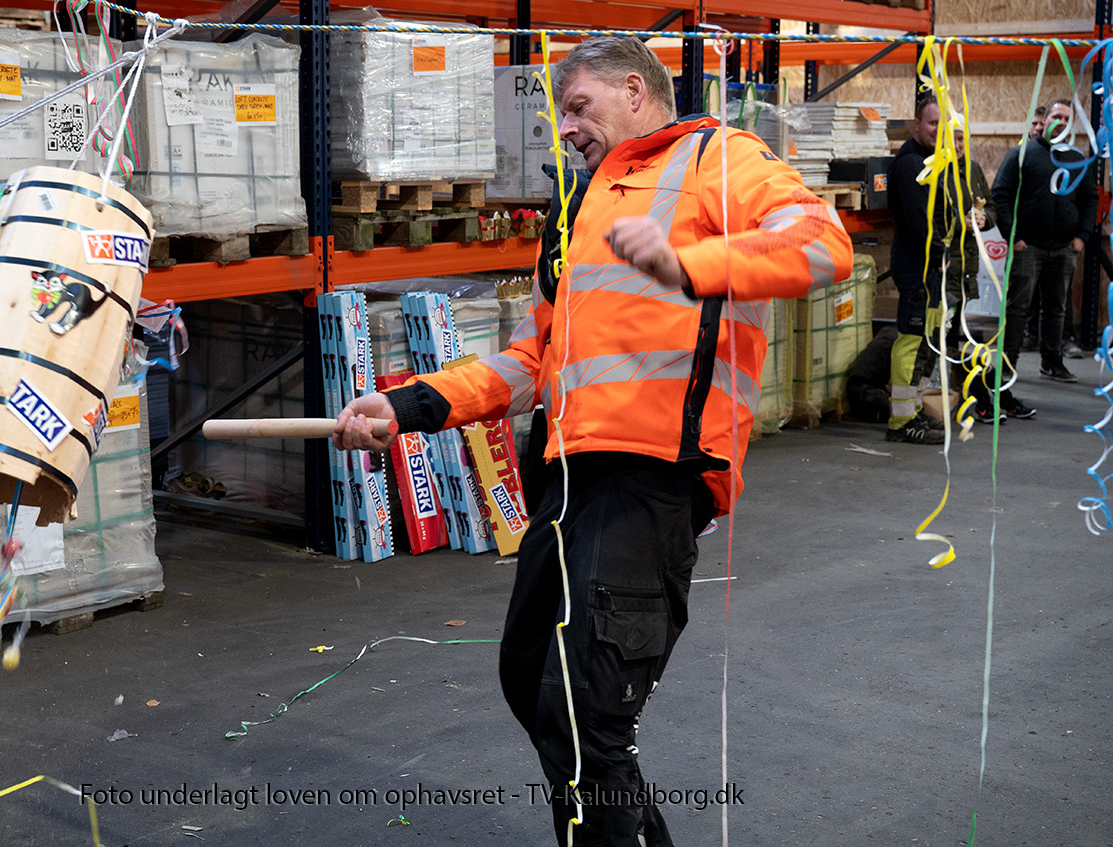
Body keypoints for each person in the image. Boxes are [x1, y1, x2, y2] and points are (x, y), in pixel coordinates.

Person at [333, 37, 853, 847]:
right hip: (568, 483)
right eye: (560, 114)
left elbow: (824, 244)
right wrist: (410, 407)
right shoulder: (575, 210)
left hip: (651, 482)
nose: (564, 128)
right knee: (532, 683)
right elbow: (530, 359)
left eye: (578, 107)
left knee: (583, 716)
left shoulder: (719, 159)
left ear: (638, 92)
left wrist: (691, 264)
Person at [886, 98, 1001, 436]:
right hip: (922, 268)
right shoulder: (911, 165)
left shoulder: (933, 162)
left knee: (927, 345)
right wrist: (939, 256)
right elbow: (920, 223)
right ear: (916, 124)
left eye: (943, 125)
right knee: (911, 341)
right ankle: (901, 421)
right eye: (932, 123)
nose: (938, 131)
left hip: (937, 268)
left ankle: (915, 410)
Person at [992, 99, 1099, 391]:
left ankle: (1052, 362)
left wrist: (1082, 236)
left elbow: (1090, 199)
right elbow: (1000, 194)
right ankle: (1007, 364)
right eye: (1056, 117)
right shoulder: (1021, 155)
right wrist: (1012, 237)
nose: (1061, 123)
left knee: (1056, 309)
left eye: (1067, 118)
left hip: (1064, 248)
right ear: (1044, 119)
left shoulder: (1077, 158)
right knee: (1017, 307)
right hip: (1028, 247)